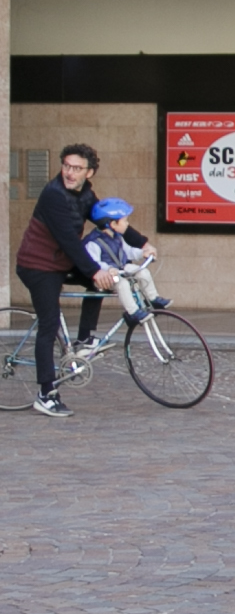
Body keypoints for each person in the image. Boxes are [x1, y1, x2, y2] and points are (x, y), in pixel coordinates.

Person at [12, 143, 108, 417]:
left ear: (89, 172)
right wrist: (94, 270)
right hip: (38, 266)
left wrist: (141, 243)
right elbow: (69, 241)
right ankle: (46, 395)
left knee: (101, 283)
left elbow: (109, 220)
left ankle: (83, 341)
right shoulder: (54, 195)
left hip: (60, 262)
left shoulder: (85, 194)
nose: (69, 172)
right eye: (66, 166)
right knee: (49, 324)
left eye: (76, 168)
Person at [81, 199, 170, 323]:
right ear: (113, 224)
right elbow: (94, 262)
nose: (127, 224)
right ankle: (133, 312)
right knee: (122, 284)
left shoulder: (117, 237)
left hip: (121, 269)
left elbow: (128, 251)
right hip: (108, 277)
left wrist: (142, 253)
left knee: (142, 272)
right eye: (125, 221)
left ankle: (153, 298)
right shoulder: (93, 242)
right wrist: (108, 269)